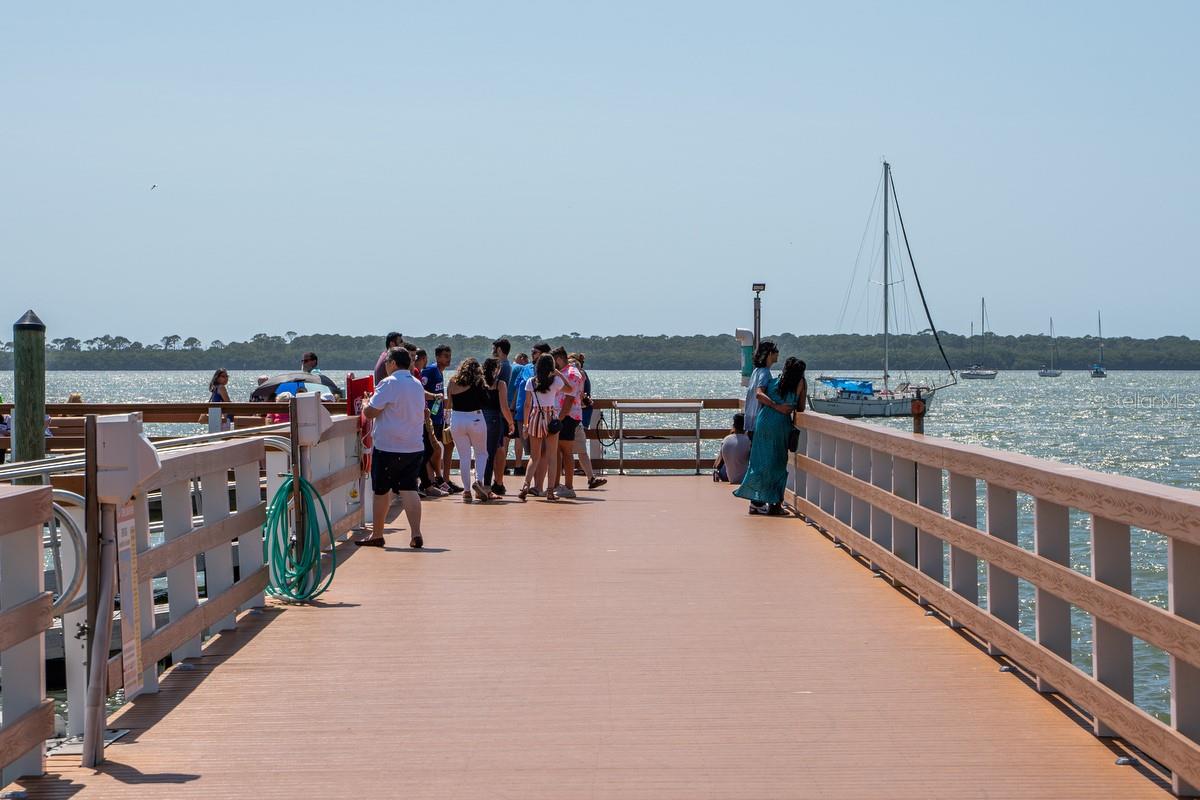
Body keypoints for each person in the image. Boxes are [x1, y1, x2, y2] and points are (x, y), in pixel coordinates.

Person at [358, 347, 426, 548]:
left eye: (387, 362)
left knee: (381, 491)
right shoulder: (416, 384)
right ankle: (416, 533)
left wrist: (365, 403)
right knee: (409, 488)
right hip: (413, 445)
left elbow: (371, 412)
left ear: (393, 363)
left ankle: (377, 534)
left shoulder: (389, 383)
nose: (386, 366)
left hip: (388, 447)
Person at [735, 358, 806, 515]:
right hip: (780, 423)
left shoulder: (775, 381)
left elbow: (759, 394)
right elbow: (800, 407)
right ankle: (775, 505)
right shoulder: (800, 382)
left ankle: (756, 502)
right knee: (778, 463)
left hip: (763, 421)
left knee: (761, 461)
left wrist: (775, 404)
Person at [518, 353, 569, 502]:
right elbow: (570, 388)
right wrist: (559, 373)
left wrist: (525, 425)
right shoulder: (556, 381)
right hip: (550, 417)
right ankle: (550, 491)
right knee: (552, 457)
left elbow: (527, 405)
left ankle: (526, 485)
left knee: (534, 457)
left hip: (535, 417)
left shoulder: (531, 382)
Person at [447, 357, 491, 502]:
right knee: (481, 453)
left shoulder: (452, 382)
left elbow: (449, 404)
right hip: (475, 418)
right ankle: (478, 481)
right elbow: (486, 401)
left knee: (464, 456)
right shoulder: (477, 382)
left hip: (457, 419)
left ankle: (466, 491)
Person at [482, 339, 516, 496]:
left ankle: (494, 481)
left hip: (491, 415)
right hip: (496, 415)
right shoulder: (505, 368)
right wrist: (510, 421)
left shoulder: (503, 367)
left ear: (500, 349)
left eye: (494, 348)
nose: (492, 350)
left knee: (492, 449)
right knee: (496, 448)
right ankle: (495, 482)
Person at [549, 346, 583, 499]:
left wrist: (560, 419)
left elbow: (570, 399)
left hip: (568, 416)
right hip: (561, 415)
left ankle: (569, 486)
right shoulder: (564, 372)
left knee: (566, 452)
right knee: (556, 451)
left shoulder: (572, 373)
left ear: (558, 359)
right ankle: (556, 484)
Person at [511, 343, 550, 478]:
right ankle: (533, 482)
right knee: (531, 452)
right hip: (522, 414)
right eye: (532, 352)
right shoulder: (526, 368)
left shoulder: (549, 372)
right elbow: (518, 388)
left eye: (535, 352)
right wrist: (512, 408)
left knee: (541, 452)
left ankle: (537, 483)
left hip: (540, 415)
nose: (532, 355)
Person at [569, 353, 606, 489]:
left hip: (576, 417)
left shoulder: (578, 377)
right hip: (574, 417)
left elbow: (582, 398)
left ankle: (589, 478)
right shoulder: (577, 377)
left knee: (578, 450)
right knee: (572, 451)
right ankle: (568, 481)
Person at [743, 341, 779, 441]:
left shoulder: (756, 371)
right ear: (770, 353)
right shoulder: (765, 372)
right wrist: (775, 406)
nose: (778, 353)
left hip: (750, 419)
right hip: (759, 421)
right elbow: (759, 394)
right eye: (776, 351)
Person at [713, 413, 751, 484]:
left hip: (730, 478)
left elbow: (717, 464)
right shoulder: (748, 441)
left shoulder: (726, 439)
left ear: (734, 425)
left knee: (728, 463)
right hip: (745, 479)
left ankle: (717, 473)